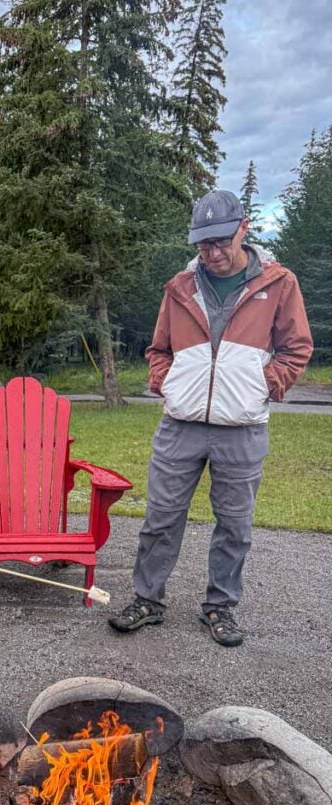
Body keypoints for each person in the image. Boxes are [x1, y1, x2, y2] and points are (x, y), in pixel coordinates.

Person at [109, 190, 313, 647]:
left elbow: (297, 347)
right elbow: (159, 349)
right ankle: (147, 600)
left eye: (221, 241)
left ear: (243, 228)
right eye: (204, 244)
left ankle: (220, 607)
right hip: (180, 424)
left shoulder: (279, 284)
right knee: (160, 517)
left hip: (242, 429)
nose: (213, 253)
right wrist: (167, 383)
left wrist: (265, 384)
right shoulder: (179, 287)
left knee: (235, 525)